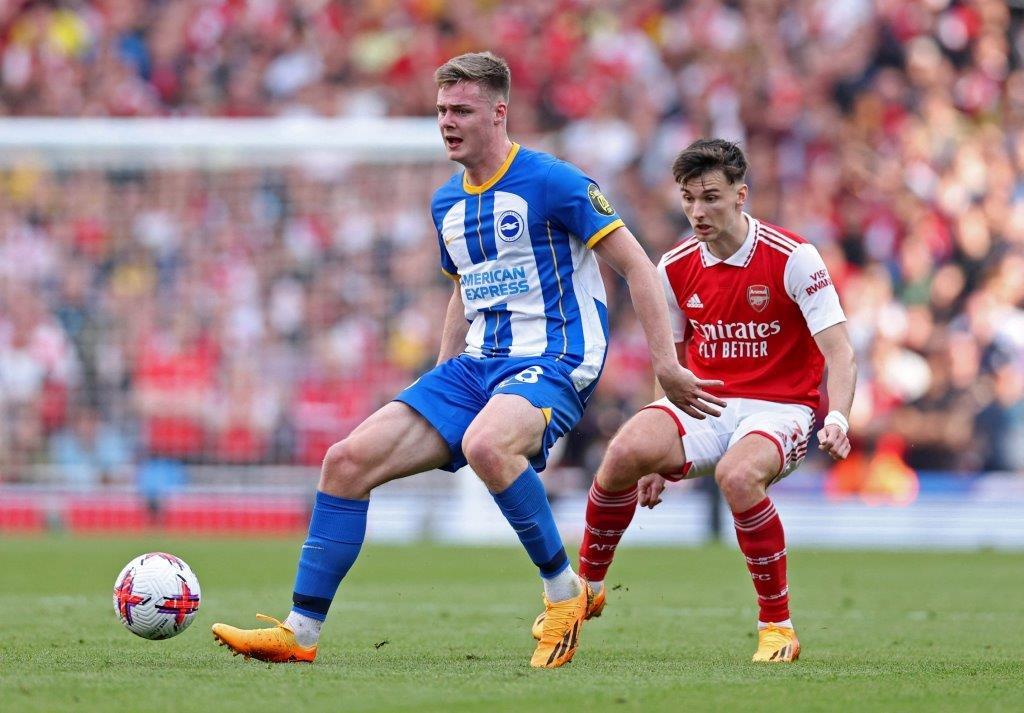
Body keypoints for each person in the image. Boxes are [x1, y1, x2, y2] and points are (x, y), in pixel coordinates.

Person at [211, 52, 724, 669]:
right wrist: (440, 374)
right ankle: (300, 632)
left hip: (556, 357)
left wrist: (665, 365)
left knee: (487, 444)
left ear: (499, 113)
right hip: (477, 365)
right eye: (441, 111)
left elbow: (638, 266)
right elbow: (465, 290)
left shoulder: (553, 181)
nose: (447, 122)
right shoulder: (446, 204)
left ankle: (564, 593)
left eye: (461, 110)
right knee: (344, 463)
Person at [532, 138, 856, 663]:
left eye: (710, 197)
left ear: (740, 195)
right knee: (623, 453)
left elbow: (840, 353)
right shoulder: (674, 266)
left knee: (737, 476)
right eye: (688, 199)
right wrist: (655, 455)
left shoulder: (794, 258)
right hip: (706, 403)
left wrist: (837, 416)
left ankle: (777, 627)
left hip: (781, 408)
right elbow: (672, 364)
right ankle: (585, 588)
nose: (697, 211)